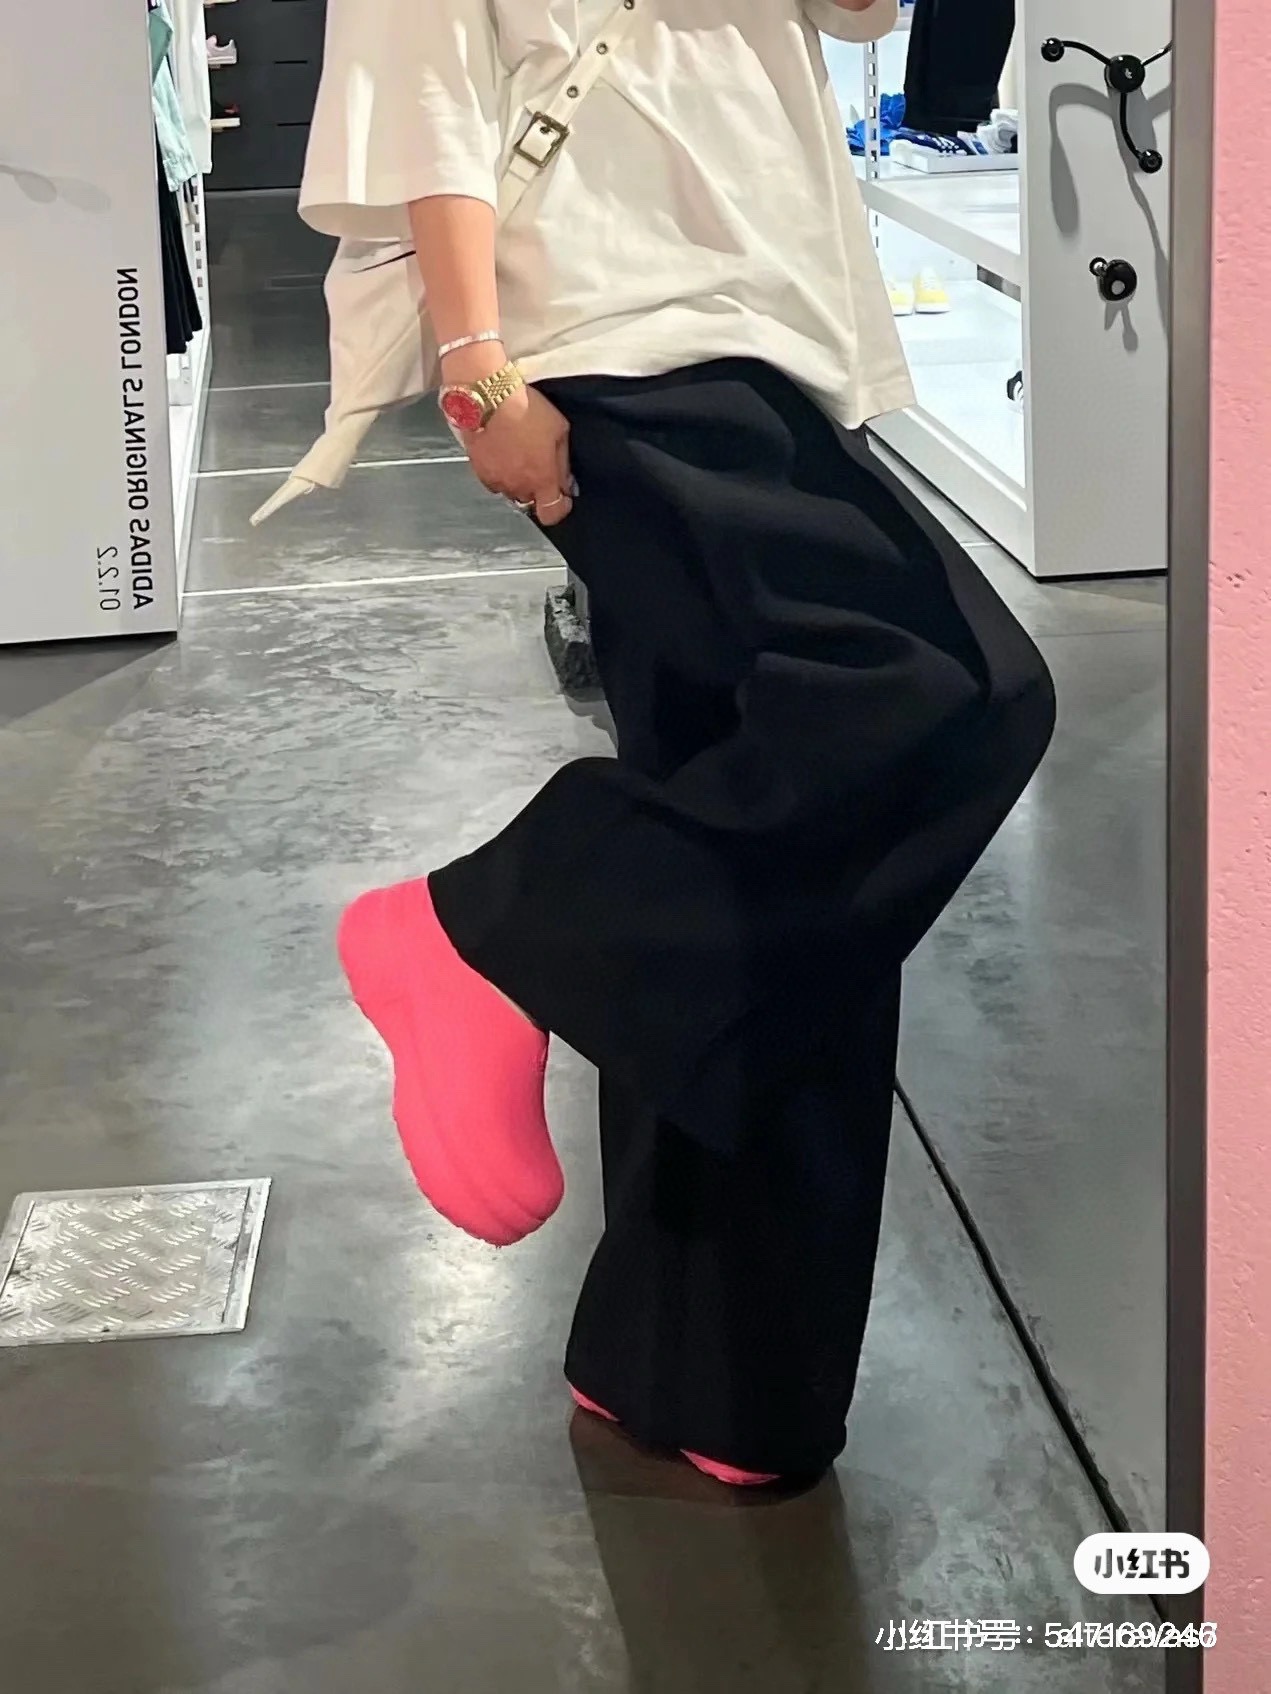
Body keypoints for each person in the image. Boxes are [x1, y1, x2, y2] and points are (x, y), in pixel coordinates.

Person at [302, 0, 1056, 1487]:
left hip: (767, 314)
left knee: (779, 869)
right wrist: (477, 365)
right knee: (953, 688)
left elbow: (858, 13)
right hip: (616, 331)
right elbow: (423, 85)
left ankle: (701, 1373)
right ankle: (486, 930)